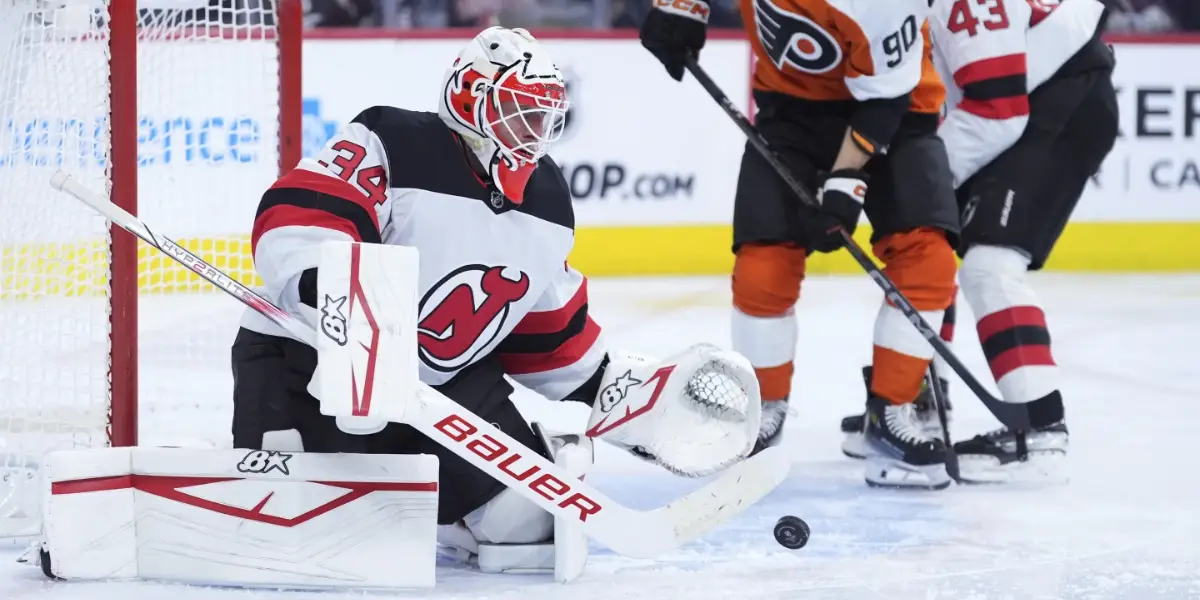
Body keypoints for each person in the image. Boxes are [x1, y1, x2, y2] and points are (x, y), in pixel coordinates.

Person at [229, 26, 762, 567]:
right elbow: (307, 211)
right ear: (469, 98)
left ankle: (445, 512)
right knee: (293, 529)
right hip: (312, 364)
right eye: (520, 110)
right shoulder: (392, 139)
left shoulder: (547, 202)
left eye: (543, 114)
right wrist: (332, 289)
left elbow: (551, 336)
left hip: (437, 392)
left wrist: (630, 396)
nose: (535, 128)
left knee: (528, 523)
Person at [640, 0, 961, 490]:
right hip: (789, 111)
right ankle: (759, 411)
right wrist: (680, 5)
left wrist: (845, 182)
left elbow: (884, 101)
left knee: (927, 257)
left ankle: (891, 410)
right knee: (762, 264)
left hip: (898, 109)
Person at [925, 0, 1115, 482]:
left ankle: (1040, 429)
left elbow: (997, 111)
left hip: (1054, 106)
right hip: (1034, 100)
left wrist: (922, 182)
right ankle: (923, 396)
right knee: (930, 241)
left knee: (990, 266)